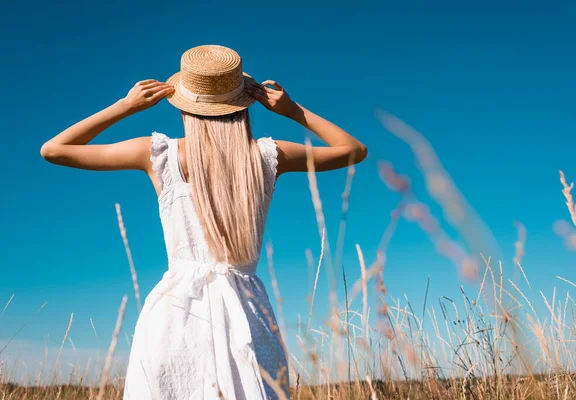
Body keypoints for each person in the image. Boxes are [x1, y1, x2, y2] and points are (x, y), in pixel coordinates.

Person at [41, 45, 367, 400]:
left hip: (174, 315)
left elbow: (54, 149)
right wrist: (294, 111)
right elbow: (353, 150)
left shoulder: (158, 155)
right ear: (243, 105)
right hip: (248, 314)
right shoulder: (267, 156)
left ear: (182, 106)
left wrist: (126, 105)